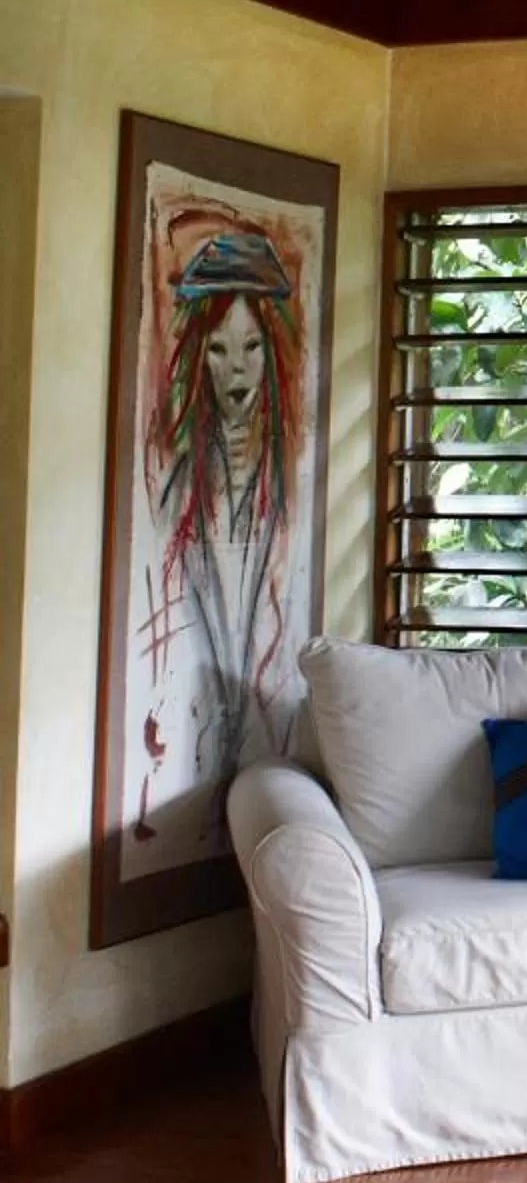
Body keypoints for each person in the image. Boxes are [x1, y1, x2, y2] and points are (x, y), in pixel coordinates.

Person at [147, 226, 302, 822]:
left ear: (273, 352)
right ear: (196, 357)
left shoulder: (284, 488)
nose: (236, 369)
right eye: (218, 348)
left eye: (251, 346)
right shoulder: (177, 493)